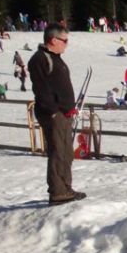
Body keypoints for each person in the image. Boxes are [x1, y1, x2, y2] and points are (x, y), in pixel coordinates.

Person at [28, 23, 85, 205]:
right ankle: (58, 193)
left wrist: (69, 108)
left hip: (64, 113)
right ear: (53, 40)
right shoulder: (40, 59)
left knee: (66, 152)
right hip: (54, 114)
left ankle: (65, 188)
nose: (67, 44)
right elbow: (41, 89)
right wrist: (53, 112)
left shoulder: (55, 58)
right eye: (65, 40)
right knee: (59, 152)